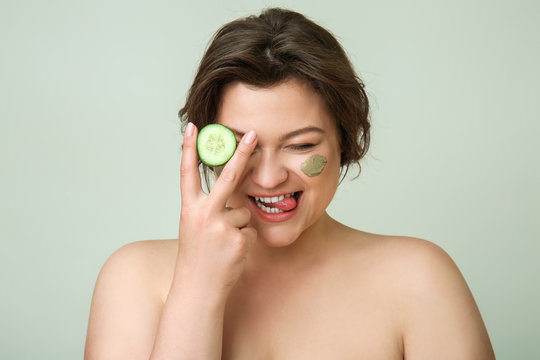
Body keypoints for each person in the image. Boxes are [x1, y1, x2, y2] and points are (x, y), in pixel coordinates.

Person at [84, 8, 495, 359]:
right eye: (243, 148)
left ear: (345, 141)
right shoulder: (135, 277)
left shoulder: (419, 279)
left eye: (299, 145)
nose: (268, 177)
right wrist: (195, 289)